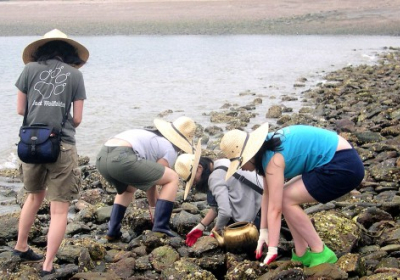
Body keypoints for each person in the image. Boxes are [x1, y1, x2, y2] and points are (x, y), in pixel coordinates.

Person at [220, 123, 365, 267]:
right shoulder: (266, 151)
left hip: (343, 165)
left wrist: (272, 249)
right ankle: (302, 253)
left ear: (250, 155)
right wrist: (263, 232)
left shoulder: (273, 161)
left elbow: (275, 209)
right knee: (285, 196)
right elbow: (267, 195)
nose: (242, 169)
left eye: (241, 164)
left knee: (286, 199)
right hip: (336, 159)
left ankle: (320, 251)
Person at [14, 29, 89, 276]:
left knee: (33, 197)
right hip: (62, 143)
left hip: (31, 142)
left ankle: (21, 246)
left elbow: (19, 110)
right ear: (69, 53)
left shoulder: (29, 70)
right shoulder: (75, 75)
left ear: (41, 50)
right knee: (59, 208)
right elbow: (77, 118)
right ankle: (47, 265)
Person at [96, 116, 196, 239]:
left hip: (102, 158)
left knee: (129, 189)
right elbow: (153, 179)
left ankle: (112, 231)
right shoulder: (170, 149)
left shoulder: (150, 135)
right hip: (122, 158)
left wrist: (153, 205)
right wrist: (154, 209)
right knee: (172, 178)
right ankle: (161, 226)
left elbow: (149, 178)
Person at [174, 140, 264, 247]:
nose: (194, 184)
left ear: (199, 168)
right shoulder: (220, 163)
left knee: (232, 243)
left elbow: (225, 212)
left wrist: (215, 231)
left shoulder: (215, 178)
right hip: (263, 199)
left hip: (259, 212)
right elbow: (218, 206)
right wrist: (201, 226)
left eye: (193, 180)